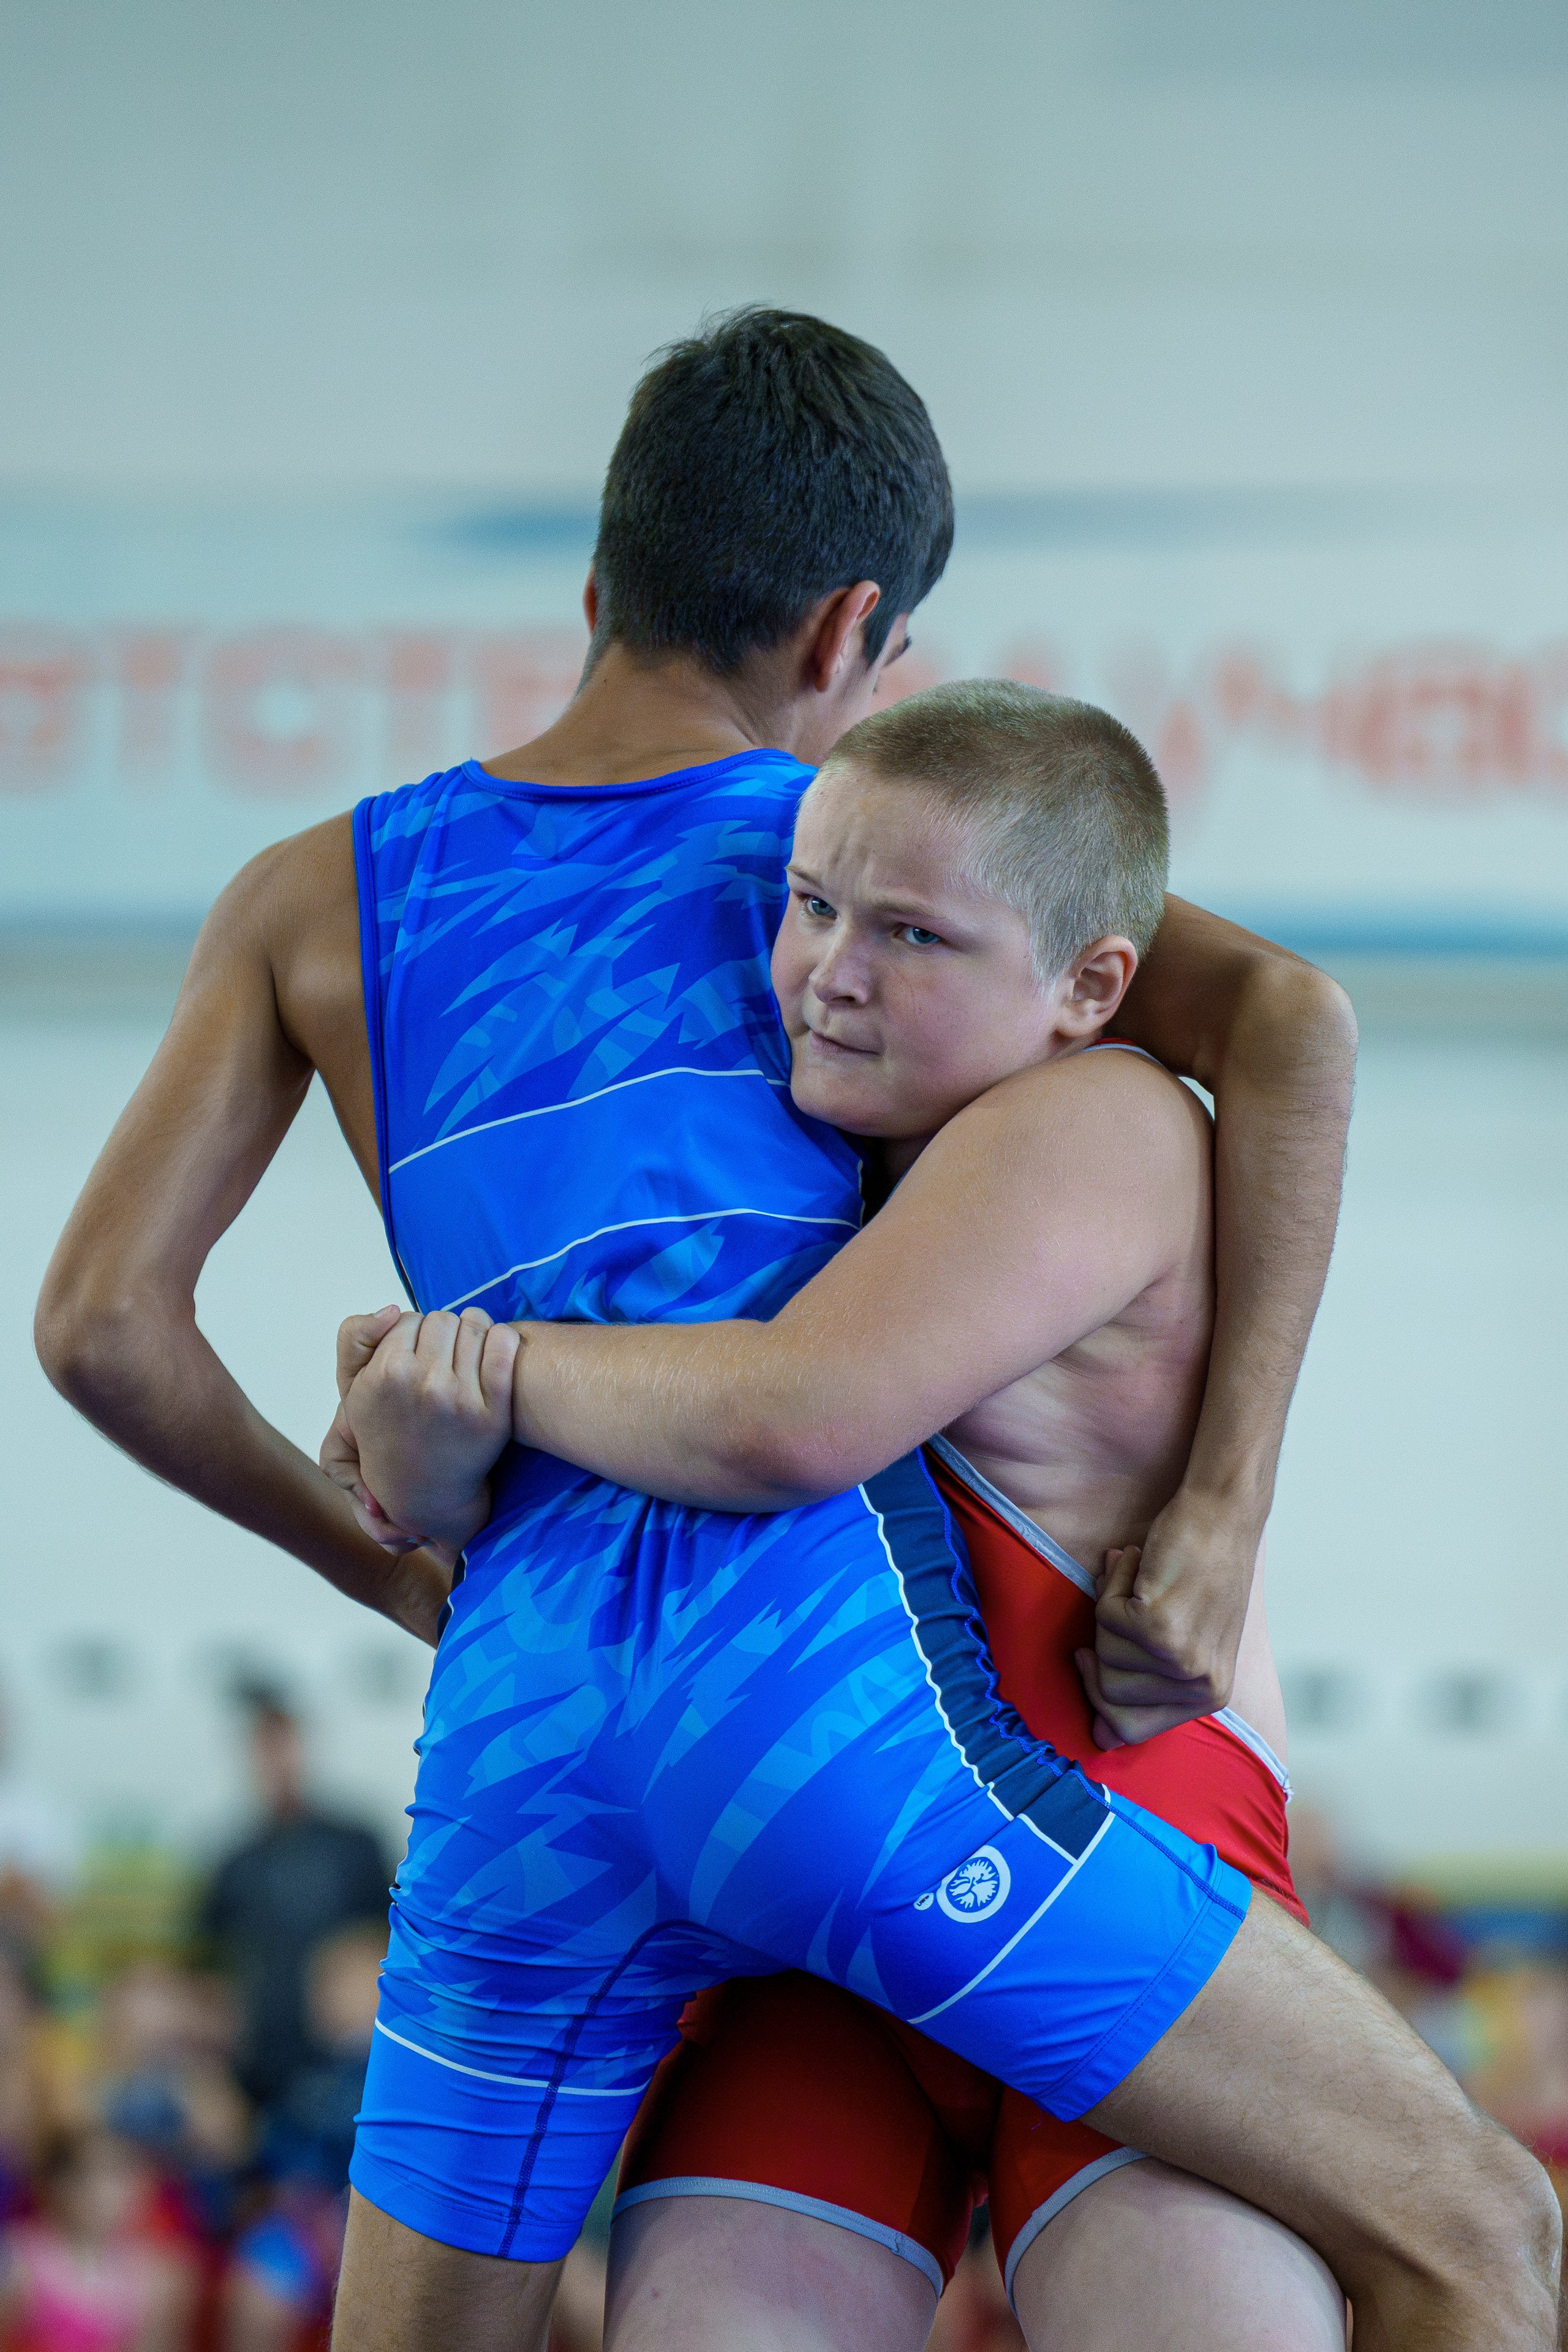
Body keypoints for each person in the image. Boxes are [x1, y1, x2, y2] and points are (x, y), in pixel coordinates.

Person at [33, 311, 1542, 2351]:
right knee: (1469, 2227)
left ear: (595, 581)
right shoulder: (860, 847)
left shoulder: (308, 896)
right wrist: (1222, 1506)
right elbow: (1286, 1023)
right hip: (829, 1691)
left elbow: (104, 1328)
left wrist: (403, 1566)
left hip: (522, 1740)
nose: (824, 966)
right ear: (853, 638)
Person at [326, 682, 1544, 2351]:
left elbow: (788, 1419)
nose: (829, 968)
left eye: (912, 936)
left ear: (1088, 988)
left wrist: (477, 1362)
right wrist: (437, 1423)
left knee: (1471, 2234)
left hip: (1122, 1846)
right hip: (830, 1930)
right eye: (811, 908)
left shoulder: (1099, 1121)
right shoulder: (814, 1171)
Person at [200, 1698, 391, 2111]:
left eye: (283, 1746)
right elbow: (206, 1965)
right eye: (265, 1750)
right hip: (262, 2056)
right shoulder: (234, 1862)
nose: (277, 1762)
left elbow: (389, 1942)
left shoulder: (356, 1845)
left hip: (353, 2052)